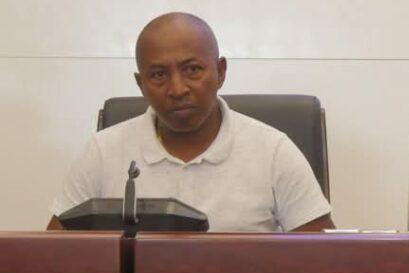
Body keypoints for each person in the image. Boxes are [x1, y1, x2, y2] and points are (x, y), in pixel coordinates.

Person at [48, 13, 334, 232]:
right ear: (140, 84)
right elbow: (52, 259)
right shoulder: (102, 152)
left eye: (192, 70)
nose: (177, 89)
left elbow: (325, 262)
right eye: (159, 75)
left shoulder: (273, 152)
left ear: (220, 72)